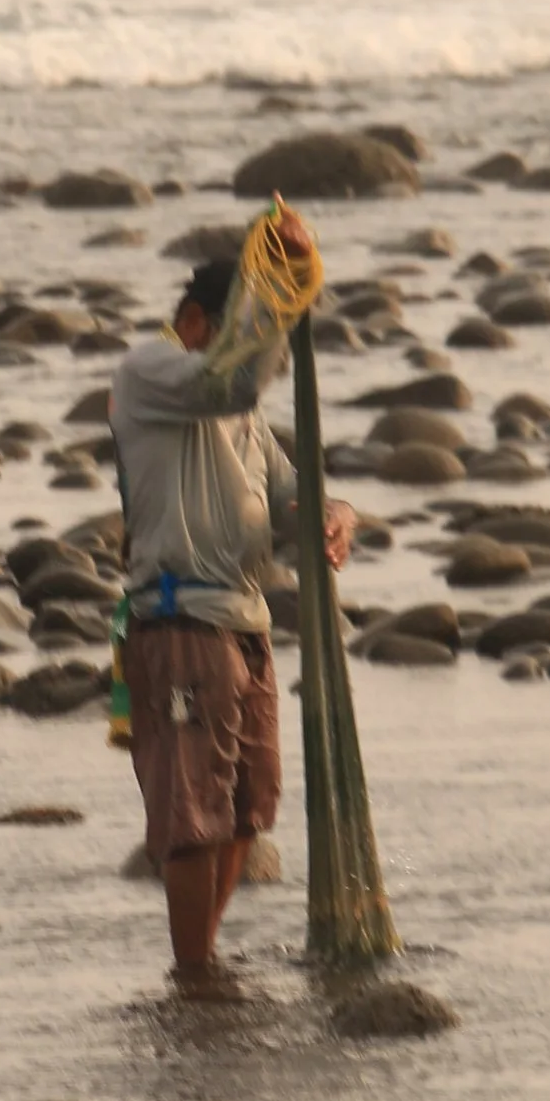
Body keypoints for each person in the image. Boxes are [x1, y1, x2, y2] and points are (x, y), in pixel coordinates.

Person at [109, 219, 354, 989]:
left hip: (243, 626)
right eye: (246, 327)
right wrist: (287, 285)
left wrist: (331, 515)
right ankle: (193, 974)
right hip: (180, 623)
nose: (263, 348)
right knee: (192, 816)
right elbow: (237, 376)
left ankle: (205, 960)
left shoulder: (241, 414)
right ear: (193, 325)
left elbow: (292, 498)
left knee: (248, 807)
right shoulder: (152, 371)